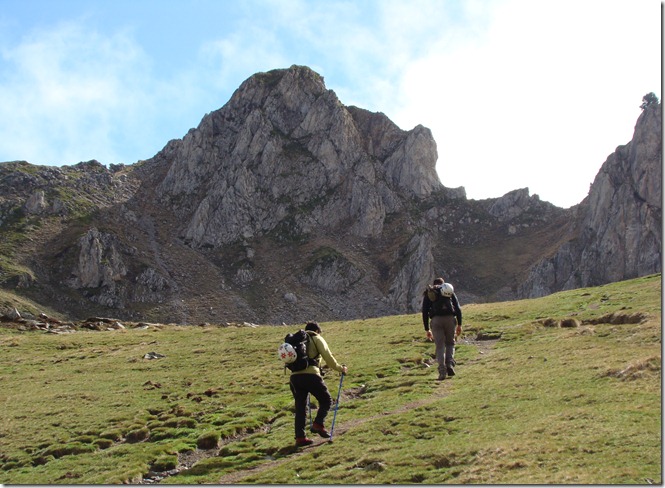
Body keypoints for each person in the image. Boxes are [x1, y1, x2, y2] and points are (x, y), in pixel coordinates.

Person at [289, 321, 348, 447]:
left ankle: (300, 437)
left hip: (294, 378)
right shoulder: (316, 338)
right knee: (326, 400)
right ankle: (318, 424)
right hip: (311, 376)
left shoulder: (296, 342)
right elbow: (328, 357)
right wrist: (340, 369)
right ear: (317, 331)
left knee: (300, 407)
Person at [422, 277, 463, 381]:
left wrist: (427, 329)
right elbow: (457, 308)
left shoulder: (430, 293)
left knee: (440, 346)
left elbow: (425, 311)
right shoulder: (448, 290)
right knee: (450, 343)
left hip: (436, 321)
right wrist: (459, 324)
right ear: (443, 284)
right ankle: (449, 363)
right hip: (450, 319)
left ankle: (442, 371)